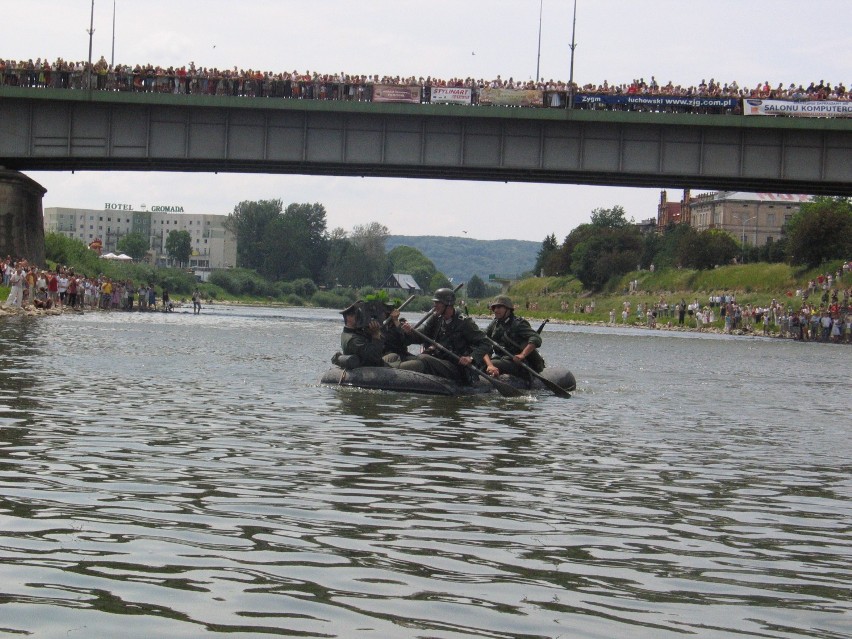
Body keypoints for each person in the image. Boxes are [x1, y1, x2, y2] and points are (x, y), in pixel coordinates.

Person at [399, 287, 491, 383]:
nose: (435, 306)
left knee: (424, 358)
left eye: (438, 303)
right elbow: (423, 335)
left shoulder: (464, 322)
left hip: (457, 367)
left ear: (448, 305)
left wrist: (471, 358)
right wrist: (410, 332)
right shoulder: (436, 318)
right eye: (434, 303)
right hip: (440, 360)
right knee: (417, 357)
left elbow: (486, 343)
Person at [481, 295, 544, 380]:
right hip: (501, 358)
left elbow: (536, 338)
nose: (496, 310)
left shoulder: (518, 324)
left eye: (499, 307)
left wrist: (522, 355)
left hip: (518, 363)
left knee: (494, 363)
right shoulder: (495, 324)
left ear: (508, 309)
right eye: (494, 308)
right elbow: (481, 339)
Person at [338, 300, 395, 368]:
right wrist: (375, 335)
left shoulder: (351, 332)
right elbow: (375, 357)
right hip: (370, 368)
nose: (360, 317)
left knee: (394, 356)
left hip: (371, 362)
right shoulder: (353, 340)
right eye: (357, 315)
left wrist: (373, 331)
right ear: (348, 317)